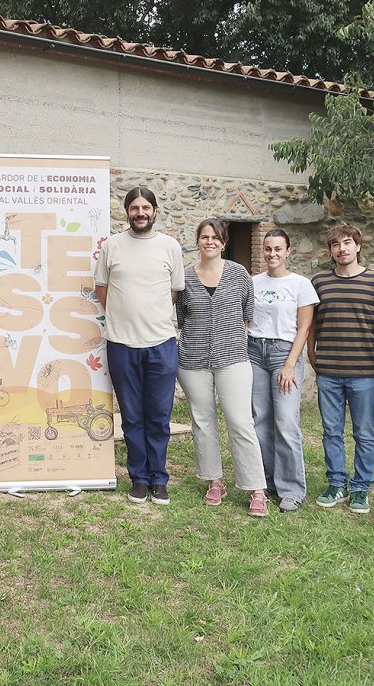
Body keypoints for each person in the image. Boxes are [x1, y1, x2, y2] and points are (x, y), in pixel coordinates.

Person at [94, 186, 184, 505]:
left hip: (160, 343)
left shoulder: (169, 246)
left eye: (146, 207)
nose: (141, 213)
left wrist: (149, 314)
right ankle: (139, 478)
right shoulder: (112, 246)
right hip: (121, 344)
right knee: (132, 415)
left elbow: (174, 291)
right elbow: (101, 287)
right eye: (135, 208)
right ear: (127, 212)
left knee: (158, 415)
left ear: (155, 211)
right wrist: (122, 315)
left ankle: (159, 478)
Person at [177, 219, 270, 516]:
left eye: (215, 238)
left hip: (233, 359)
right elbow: (182, 316)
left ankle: (256, 487)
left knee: (240, 422)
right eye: (204, 237)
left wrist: (228, 339)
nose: (209, 242)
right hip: (193, 359)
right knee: (203, 420)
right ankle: (214, 481)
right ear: (197, 241)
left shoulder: (239, 274)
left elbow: (247, 312)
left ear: (223, 242)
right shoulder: (186, 277)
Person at [309, 224, 374, 515]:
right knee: (331, 431)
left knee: (364, 433)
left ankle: (361, 489)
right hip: (329, 370)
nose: (342, 249)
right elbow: (311, 322)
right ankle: (336, 484)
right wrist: (312, 353)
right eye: (336, 245)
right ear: (330, 250)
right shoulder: (319, 282)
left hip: (364, 372)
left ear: (358, 246)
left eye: (347, 243)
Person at [248, 229, 319, 513]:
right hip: (254, 351)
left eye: (278, 249)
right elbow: (245, 319)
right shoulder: (252, 282)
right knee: (260, 420)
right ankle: (265, 482)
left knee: (286, 422)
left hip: (283, 353)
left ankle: (291, 488)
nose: (272, 254)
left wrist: (290, 364)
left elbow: (304, 328)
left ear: (288, 251)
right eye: (267, 249)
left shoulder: (300, 285)